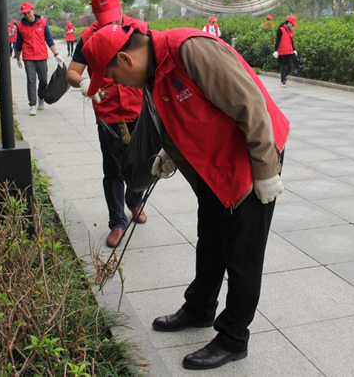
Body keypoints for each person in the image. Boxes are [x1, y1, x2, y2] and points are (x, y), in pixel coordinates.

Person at [82, 24, 289, 371]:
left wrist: (266, 170)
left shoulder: (190, 50)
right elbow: (180, 116)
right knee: (210, 239)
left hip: (249, 157)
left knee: (243, 253)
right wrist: (170, 153)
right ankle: (199, 308)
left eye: (114, 76)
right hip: (210, 161)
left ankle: (233, 337)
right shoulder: (154, 70)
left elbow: (251, 105)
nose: (119, 84)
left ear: (126, 59)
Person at [66, 0, 148, 248]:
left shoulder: (139, 31)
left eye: (112, 17)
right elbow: (72, 72)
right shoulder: (87, 38)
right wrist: (83, 82)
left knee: (142, 162)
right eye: (103, 19)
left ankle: (134, 201)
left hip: (139, 109)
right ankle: (117, 221)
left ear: (121, 6)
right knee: (113, 169)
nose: (109, 23)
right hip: (108, 112)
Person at [14, 2, 63, 116]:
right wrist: (18, 58)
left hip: (41, 55)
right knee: (31, 80)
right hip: (28, 56)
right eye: (24, 14)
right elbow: (18, 43)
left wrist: (56, 54)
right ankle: (32, 104)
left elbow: (49, 39)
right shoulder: (20, 26)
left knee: (43, 79)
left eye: (28, 12)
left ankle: (41, 97)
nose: (27, 15)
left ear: (33, 10)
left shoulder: (43, 23)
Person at [273, 16, 298, 88]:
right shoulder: (281, 30)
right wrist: (276, 50)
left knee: (291, 66)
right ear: (289, 23)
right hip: (282, 51)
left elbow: (291, 41)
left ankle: (284, 77)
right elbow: (277, 41)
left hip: (289, 51)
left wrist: (294, 49)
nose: (293, 26)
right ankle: (282, 81)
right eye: (292, 24)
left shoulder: (291, 30)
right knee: (283, 66)